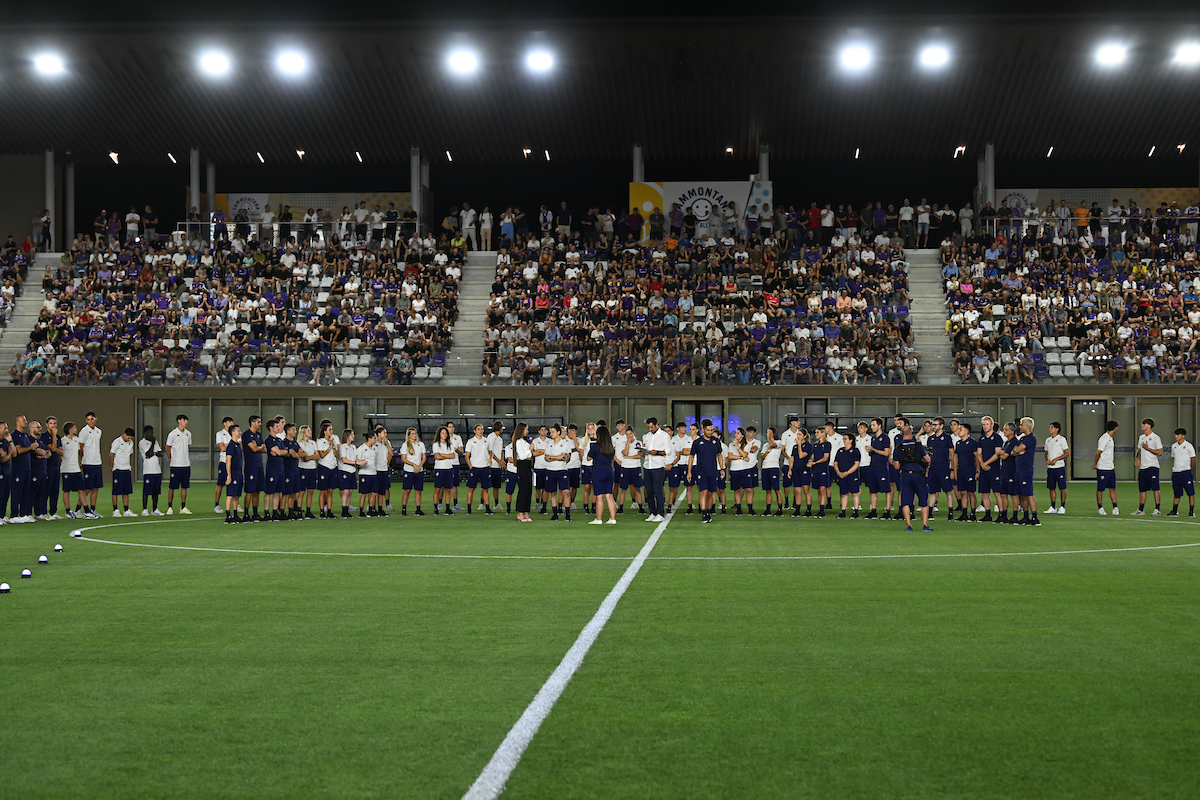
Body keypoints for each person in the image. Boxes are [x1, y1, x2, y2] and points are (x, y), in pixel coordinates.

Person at [891, 421, 933, 532]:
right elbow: (927, 459)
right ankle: (925, 525)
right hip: (918, 475)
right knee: (923, 501)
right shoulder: (918, 446)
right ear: (911, 434)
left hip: (905, 476)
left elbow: (896, 466)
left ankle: (909, 525)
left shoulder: (898, 448)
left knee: (905, 502)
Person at [687, 418, 724, 524]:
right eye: (708, 430)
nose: (710, 432)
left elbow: (720, 455)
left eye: (711, 430)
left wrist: (722, 468)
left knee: (710, 493)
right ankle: (704, 513)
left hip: (713, 471)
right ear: (703, 430)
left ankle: (707, 512)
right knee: (703, 491)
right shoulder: (697, 442)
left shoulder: (716, 442)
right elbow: (691, 457)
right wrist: (689, 471)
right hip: (701, 471)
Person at [641, 417, 670, 522]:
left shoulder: (664, 436)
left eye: (652, 427)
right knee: (648, 491)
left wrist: (656, 452)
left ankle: (661, 513)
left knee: (658, 491)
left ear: (657, 425)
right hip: (647, 465)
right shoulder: (646, 436)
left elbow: (668, 451)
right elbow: (646, 449)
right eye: (649, 427)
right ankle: (652, 512)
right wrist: (643, 452)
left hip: (658, 466)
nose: (650, 429)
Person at [925, 417, 954, 520]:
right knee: (932, 491)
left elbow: (952, 454)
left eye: (935, 425)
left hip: (943, 468)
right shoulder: (930, 439)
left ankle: (950, 513)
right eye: (933, 425)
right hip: (933, 468)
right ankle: (930, 512)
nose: (933, 426)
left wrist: (952, 470)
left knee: (948, 491)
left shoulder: (947, 438)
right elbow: (929, 456)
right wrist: (928, 469)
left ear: (941, 426)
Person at [588, 424, 617, 524]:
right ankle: (612, 518)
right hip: (609, 471)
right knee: (609, 496)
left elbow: (588, 457)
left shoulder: (596, 446)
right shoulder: (611, 447)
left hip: (598, 472)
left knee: (599, 496)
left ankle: (599, 519)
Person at [975, 416, 1003, 521]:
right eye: (984, 424)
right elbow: (978, 453)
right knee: (984, 493)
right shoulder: (981, 439)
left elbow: (997, 453)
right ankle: (988, 514)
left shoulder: (997, 438)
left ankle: (1001, 514)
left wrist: (986, 463)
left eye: (987, 424)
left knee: (997, 493)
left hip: (994, 468)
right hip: (984, 470)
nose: (985, 426)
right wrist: (982, 464)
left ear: (991, 425)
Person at [1134, 417, 1164, 516]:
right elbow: (1138, 450)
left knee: (1155, 488)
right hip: (1143, 468)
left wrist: (1148, 448)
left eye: (1144, 424)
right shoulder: (1141, 437)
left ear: (1149, 426)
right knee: (1142, 489)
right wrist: (1136, 458)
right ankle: (1141, 510)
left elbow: (1160, 452)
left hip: (1152, 467)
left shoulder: (1156, 438)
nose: (1142, 425)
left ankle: (1157, 509)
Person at [8, 414, 35, 523]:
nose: (26, 422)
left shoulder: (25, 435)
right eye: (24, 420)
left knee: (26, 491)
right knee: (17, 491)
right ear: (18, 422)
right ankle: (14, 515)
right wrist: (31, 447)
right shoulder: (15, 435)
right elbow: (18, 451)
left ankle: (24, 514)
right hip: (18, 468)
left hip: (27, 468)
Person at [164, 414, 193, 515]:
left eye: (186, 420)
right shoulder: (172, 434)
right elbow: (168, 448)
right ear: (179, 421)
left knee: (184, 486)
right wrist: (171, 459)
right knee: (172, 487)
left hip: (186, 464)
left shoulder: (188, 434)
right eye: (184, 420)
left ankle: (183, 507)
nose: (186, 422)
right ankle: (170, 507)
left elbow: (187, 445)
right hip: (175, 465)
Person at [78, 411, 104, 519]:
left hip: (97, 461)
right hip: (88, 463)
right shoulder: (84, 431)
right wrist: (83, 458)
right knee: (87, 488)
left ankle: (93, 509)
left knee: (95, 487)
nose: (90, 421)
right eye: (88, 419)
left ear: (96, 419)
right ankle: (78, 509)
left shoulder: (98, 431)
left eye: (92, 419)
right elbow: (81, 446)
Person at [544, 424, 572, 521]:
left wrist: (553, 457)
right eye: (551, 432)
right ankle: (555, 514)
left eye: (553, 432)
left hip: (562, 470)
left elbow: (563, 457)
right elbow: (546, 457)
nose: (551, 434)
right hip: (550, 470)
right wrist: (557, 458)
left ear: (558, 432)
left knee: (566, 492)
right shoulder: (549, 443)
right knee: (553, 493)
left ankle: (567, 514)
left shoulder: (565, 443)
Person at [865, 417, 892, 519]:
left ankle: (888, 511)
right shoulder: (873, 438)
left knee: (886, 489)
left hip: (882, 467)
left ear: (879, 425)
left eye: (874, 425)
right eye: (872, 425)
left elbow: (886, 453)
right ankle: (873, 511)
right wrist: (870, 451)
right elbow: (874, 452)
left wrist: (874, 450)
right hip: (873, 466)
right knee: (872, 490)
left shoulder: (885, 438)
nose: (872, 427)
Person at [951, 422, 978, 522]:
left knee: (971, 492)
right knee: (962, 492)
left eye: (960, 429)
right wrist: (954, 470)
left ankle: (973, 513)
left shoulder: (972, 443)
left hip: (970, 470)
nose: (958, 431)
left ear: (966, 431)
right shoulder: (958, 443)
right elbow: (955, 457)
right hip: (961, 470)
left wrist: (978, 471)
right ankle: (964, 513)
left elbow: (977, 457)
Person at [1092, 420, 1120, 515]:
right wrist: (1095, 464)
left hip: (1110, 467)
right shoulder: (1104, 438)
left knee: (1112, 488)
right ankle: (1100, 507)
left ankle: (1115, 507)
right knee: (1100, 489)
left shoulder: (1110, 438)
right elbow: (1098, 453)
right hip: (1103, 467)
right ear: (1114, 428)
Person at [465, 424, 493, 515]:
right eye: (478, 429)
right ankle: (469, 509)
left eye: (482, 429)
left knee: (485, 489)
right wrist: (470, 467)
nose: (480, 431)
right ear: (475, 431)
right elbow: (467, 456)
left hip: (485, 467)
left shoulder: (486, 441)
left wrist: (490, 459)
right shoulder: (471, 441)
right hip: (475, 468)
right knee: (471, 489)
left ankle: (488, 508)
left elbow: (490, 451)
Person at [242, 416, 266, 522]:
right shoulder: (247, 435)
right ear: (253, 423)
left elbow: (264, 449)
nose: (260, 424)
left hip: (259, 465)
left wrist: (258, 447)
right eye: (258, 422)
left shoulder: (258, 435)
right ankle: (246, 513)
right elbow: (253, 448)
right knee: (250, 491)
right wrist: (258, 448)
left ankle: (255, 513)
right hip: (251, 466)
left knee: (257, 491)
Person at [1168, 428, 1196, 517]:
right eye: (1176, 435)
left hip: (1185, 472)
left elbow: (1193, 459)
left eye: (1178, 435)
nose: (1176, 436)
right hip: (1176, 472)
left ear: (1183, 436)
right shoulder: (1174, 446)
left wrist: (1190, 469)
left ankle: (1191, 511)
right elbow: (1174, 457)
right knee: (1177, 493)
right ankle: (1174, 511)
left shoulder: (1189, 446)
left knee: (1190, 492)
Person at [39, 417, 63, 520]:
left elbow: (61, 452)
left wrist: (55, 449)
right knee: (46, 489)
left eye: (54, 423)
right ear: (47, 425)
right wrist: (53, 436)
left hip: (56, 465)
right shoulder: (45, 436)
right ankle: (43, 512)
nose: (53, 425)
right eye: (51, 423)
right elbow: (53, 448)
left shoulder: (58, 436)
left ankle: (53, 512)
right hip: (48, 466)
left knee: (55, 490)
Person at [109, 427, 136, 517]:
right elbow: (111, 455)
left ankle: (126, 510)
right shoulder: (116, 442)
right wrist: (112, 467)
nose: (130, 439)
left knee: (126, 491)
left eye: (131, 438)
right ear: (124, 435)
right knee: (116, 491)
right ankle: (115, 510)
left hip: (127, 469)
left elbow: (129, 455)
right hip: (118, 469)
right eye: (128, 437)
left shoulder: (131, 443)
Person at [399, 428, 426, 516]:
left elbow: (424, 457)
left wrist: (419, 466)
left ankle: (418, 509)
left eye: (415, 433)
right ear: (409, 435)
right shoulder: (405, 445)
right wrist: (414, 465)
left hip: (419, 470)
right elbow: (404, 459)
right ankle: (404, 508)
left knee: (418, 490)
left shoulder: (420, 444)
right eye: (413, 433)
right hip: (409, 470)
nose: (415, 435)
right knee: (407, 490)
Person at [833, 435, 861, 518]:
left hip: (852, 475)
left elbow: (856, 464)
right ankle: (843, 510)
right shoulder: (840, 450)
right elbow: (835, 463)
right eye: (843, 439)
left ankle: (856, 511)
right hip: (841, 475)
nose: (844, 440)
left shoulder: (855, 451)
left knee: (854, 493)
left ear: (851, 440)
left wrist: (847, 472)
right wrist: (838, 472)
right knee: (844, 493)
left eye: (846, 439)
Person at [728, 428, 755, 517]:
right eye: (736, 433)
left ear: (742, 435)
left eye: (738, 433)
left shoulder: (747, 444)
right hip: (734, 469)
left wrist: (737, 447)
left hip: (744, 469)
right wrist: (741, 457)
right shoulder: (731, 445)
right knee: (737, 490)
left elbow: (745, 454)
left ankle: (750, 509)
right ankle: (739, 509)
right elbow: (730, 456)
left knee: (748, 489)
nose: (736, 435)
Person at [1044, 422, 1070, 514]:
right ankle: (1053, 506)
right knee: (1051, 487)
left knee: (1062, 487)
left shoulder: (1061, 439)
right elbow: (1046, 452)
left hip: (1059, 467)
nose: (1050, 429)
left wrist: (1056, 459)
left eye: (1051, 427)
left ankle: (1062, 506)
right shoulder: (1047, 440)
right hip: (1050, 468)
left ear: (1057, 429)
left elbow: (1066, 453)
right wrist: (1047, 460)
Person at [315, 422, 339, 519]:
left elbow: (336, 455)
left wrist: (333, 446)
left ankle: (329, 510)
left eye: (332, 430)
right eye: (330, 430)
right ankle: (322, 511)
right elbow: (322, 455)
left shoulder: (333, 441)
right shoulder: (320, 441)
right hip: (324, 467)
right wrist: (329, 446)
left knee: (330, 491)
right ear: (325, 431)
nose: (331, 432)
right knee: (322, 491)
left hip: (333, 466)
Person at [138, 425, 164, 516]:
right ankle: (145, 509)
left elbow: (160, 453)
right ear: (145, 433)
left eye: (152, 432)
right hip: (148, 471)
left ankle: (154, 509)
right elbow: (148, 454)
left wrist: (154, 452)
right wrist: (153, 445)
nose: (152, 434)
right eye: (150, 432)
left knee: (156, 491)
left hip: (157, 470)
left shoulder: (155, 442)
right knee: (146, 491)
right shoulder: (142, 442)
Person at [431, 426, 457, 515]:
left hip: (449, 469)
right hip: (439, 469)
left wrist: (443, 455)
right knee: (437, 489)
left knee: (448, 489)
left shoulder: (450, 444)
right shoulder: (436, 444)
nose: (444, 435)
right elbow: (437, 457)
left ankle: (448, 508)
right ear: (439, 434)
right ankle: (436, 508)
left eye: (446, 433)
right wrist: (447, 455)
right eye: (443, 433)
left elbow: (453, 456)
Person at [667, 422, 692, 511]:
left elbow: (688, 451)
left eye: (684, 427)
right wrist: (684, 451)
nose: (684, 429)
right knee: (674, 486)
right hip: (677, 464)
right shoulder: (673, 439)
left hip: (686, 463)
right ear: (678, 429)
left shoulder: (689, 439)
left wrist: (684, 451)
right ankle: (672, 502)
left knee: (689, 485)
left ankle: (690, 504)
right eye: (682, 427)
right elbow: (682, 452)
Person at [223, 424, 245, 524]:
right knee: (230, 494)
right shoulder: (231, 445)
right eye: (238, 431)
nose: (240, 432)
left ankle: (235, 515)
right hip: (233, 472)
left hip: (239, 472)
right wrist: (229, 475)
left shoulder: (237, 445)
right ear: (233, 432)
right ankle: (228, 516)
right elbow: (228, 460)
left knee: (236, 495)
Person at [760, 427, 784, 516]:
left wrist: (770, 437)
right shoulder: (765, 445)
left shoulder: (778, 442)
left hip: (774, 467)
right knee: (767, 490)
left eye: (769, 432)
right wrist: (767, 452)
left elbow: (772, 444)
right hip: (765, 468)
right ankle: (768, 509)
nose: (767, 434)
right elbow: (762, 457)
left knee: (776, 489)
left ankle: (780, 509)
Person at [513, 422, 534, 522]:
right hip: (522, 465)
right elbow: (522, 456)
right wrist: (530, 450)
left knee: (528, 490)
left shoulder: (524, 442)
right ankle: (520, 512)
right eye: (526, 429)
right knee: (523, 489)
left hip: (527, 465)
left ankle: (526, 511)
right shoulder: (518, 442)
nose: (527, 431)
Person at [356, 429, 379, 517]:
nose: (375, 440)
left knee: (373, 493)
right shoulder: (361, 449)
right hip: (364, 473)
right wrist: (361, 464)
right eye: (374, 438)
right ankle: (361, 511)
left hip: (373, 473)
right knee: (364, 493)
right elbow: (357, 461)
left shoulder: (374, 448)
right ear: (369, 439)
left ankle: (371, 509)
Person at [214, 416, 234, 514]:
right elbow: (222, 448)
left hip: (234, 462)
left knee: (234, 483)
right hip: (224, 461)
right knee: (220, 484)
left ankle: (236, 504)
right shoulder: (220, 433)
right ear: (224, 423)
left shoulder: (234, 432)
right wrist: (230, 446)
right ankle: (216, 505)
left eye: (232, 421)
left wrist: (227, 445)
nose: (231, 423)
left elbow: (239, 445)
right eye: (229, 421)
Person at [297, 426, 319, 519]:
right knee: (302, 491)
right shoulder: (299, 444)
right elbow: (304, 458)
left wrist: (309, 456)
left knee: (311, 491)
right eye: (308, 430)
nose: (310, 432)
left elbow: (318, 456)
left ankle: (308, 511)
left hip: (313, 468)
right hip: (303, 469)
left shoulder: (313, 443)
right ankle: (298, 511)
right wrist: (312, 456)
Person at [337, 429, 359, 518]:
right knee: (345, 491)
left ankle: (347, 509)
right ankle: (344, 511)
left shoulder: (353, 447)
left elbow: (356, 458)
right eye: (352, 434)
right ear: (347, 436)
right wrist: (356, 462)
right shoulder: (342, 447)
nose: (353, 436)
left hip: (352, 471)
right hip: (344, 470)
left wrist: (361, 462)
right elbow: (344, 459)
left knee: (350, 491)